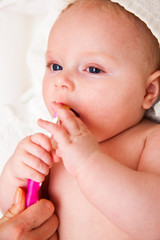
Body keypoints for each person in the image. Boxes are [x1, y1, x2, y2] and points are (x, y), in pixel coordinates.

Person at [0, 0, 160, 239]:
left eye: (93, 69)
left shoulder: (149, 140)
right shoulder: (54, 148)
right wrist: (16, 175)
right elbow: (19, 218)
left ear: (148, 92)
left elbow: (154, 218)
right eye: (55, 65)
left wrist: (89, 162)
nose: (62, 81)